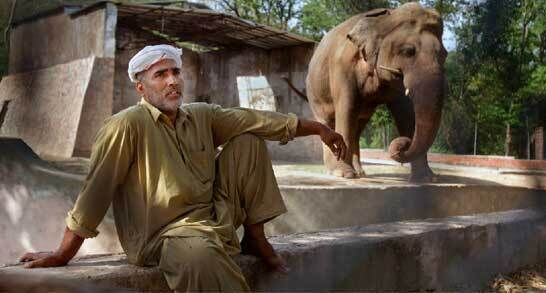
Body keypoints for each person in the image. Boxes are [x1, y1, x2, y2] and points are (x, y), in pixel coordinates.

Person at [19, 44, 347, 292]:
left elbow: (253, 118)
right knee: (199, 256)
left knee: (249, 138)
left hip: (210, 218)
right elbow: (94, 193)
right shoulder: (126, 126)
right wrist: (62, 255)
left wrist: (319, 128)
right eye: (160, 75)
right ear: (141, 88)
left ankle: (254, 238)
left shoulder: (199, 115)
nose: (172, 81)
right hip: (164, 236)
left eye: (175, 72)